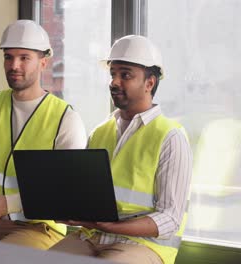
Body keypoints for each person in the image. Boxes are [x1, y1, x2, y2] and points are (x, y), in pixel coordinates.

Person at [49, 35, 193, 264]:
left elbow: (170, 219)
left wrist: (115, 226)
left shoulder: (170, 136)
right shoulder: (100, 132)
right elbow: (87, 196)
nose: (114, 82)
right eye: (112, 74)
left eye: (125, 75)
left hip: (143, 246)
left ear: (150, 83)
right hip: (92, 236)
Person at [0, 20, 87, 250]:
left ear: (43, 62)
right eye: (8, 57)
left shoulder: (65, 119)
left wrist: (10, 203)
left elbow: (70, 190)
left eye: (24, 57)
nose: (14, 65)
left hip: (40, 228)